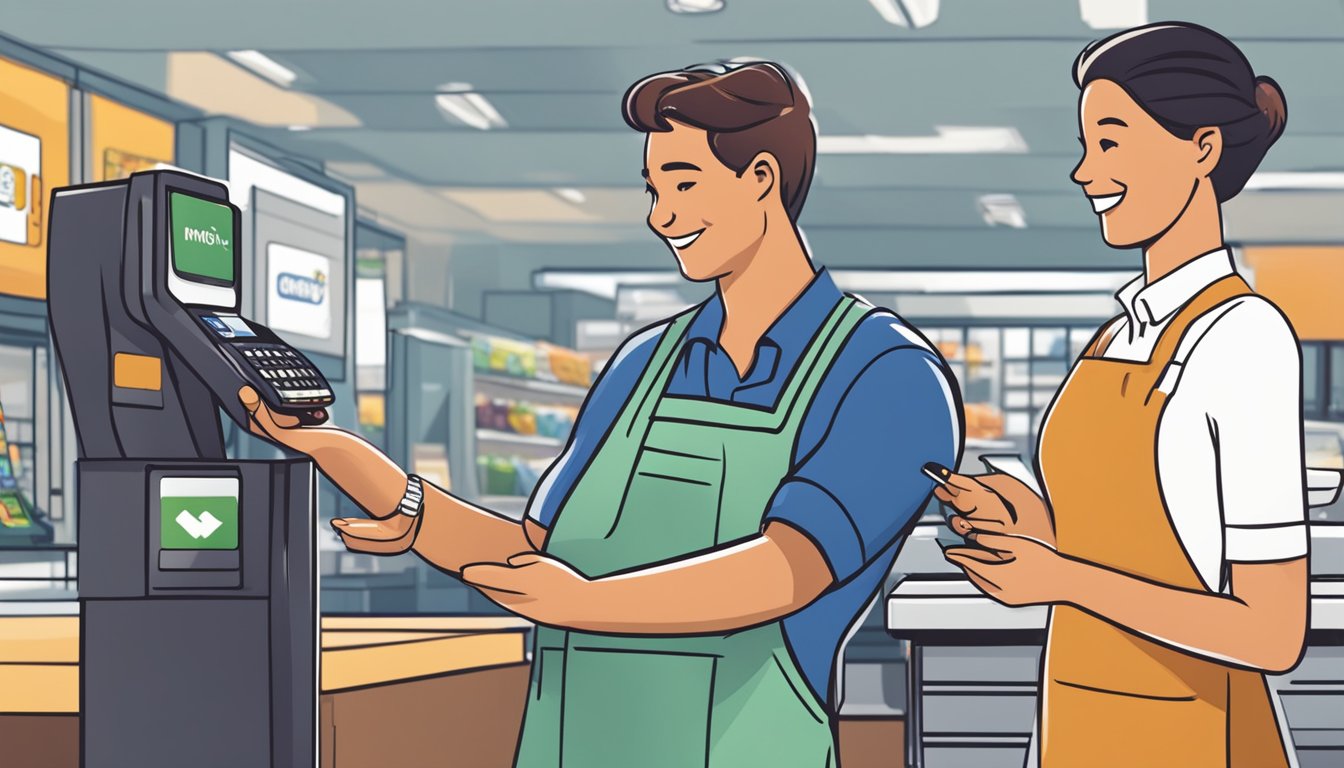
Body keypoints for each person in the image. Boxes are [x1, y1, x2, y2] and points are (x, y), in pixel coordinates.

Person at [239, 60, 961, 767]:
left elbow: (785, 572)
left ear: (762, 179)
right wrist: (361, 470)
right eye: (653, 189)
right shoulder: (643, 363)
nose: (661, 216)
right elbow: (535, 550)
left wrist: (583, 604)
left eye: (683, 183)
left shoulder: (886, 374)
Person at [938, 22, 1305, 768]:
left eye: (1110, 142)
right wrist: (1029, 524)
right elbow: (1110, 544)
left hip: (1192, 735)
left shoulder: (1244, 338)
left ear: (1201, 149)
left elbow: (1273, 632)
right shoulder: (1116, 335)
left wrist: (1060, 577)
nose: (1084, 172)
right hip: (1081, 714)